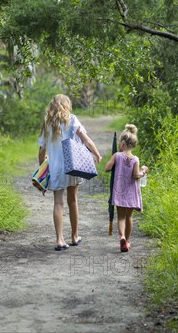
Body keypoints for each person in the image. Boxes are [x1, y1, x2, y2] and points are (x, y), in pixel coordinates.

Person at [38, 94, 102, 251]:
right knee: (72, 200)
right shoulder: (72, 120)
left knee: (58, 202)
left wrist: (43, 168)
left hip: (56, 169)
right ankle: (74, 236)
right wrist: (96, 153)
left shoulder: (47, 124)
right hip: (73, 165)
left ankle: (59, 240)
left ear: (52, 106)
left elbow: (41, 150)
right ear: (67, 105)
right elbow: (86, 140)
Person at [104, 124, 148, 252]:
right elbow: (136, 175)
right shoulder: (135, 159)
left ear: (122, 143)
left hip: (119, 191)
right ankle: (127, 241)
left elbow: (107, 169)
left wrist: (114, 163)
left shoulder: (116, 156)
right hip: (131, 193)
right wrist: (144, 171)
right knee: (129, 217)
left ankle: (121, 236)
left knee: (121, 217)